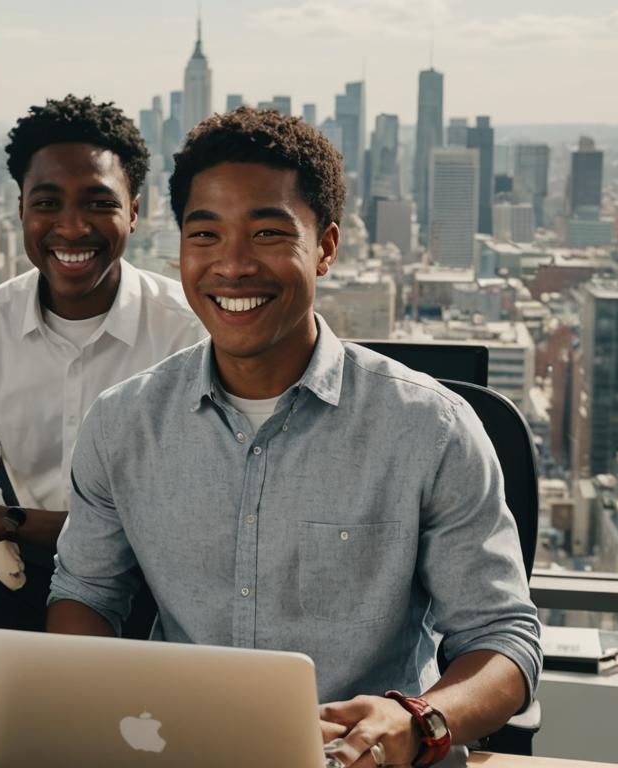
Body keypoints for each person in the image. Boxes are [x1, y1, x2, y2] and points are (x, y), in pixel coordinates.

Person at [47, 108, 542, 768]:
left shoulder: (431, 429)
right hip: (182, 753)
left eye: (268, 234)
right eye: (205, 234)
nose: (232, 265)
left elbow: (503, 638)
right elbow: (85, 595)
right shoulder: (122, 424)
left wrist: (420, 719)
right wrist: (95, 712)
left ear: (327, 248)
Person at [0, 95, 202, 728]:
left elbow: (180, 524)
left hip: (163, 592)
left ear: (135, 211)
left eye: (98, 203)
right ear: (21, 210)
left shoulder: (188, 333)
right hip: (22, 582)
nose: (72, 228)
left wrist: (7, 519)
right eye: (47, 203)